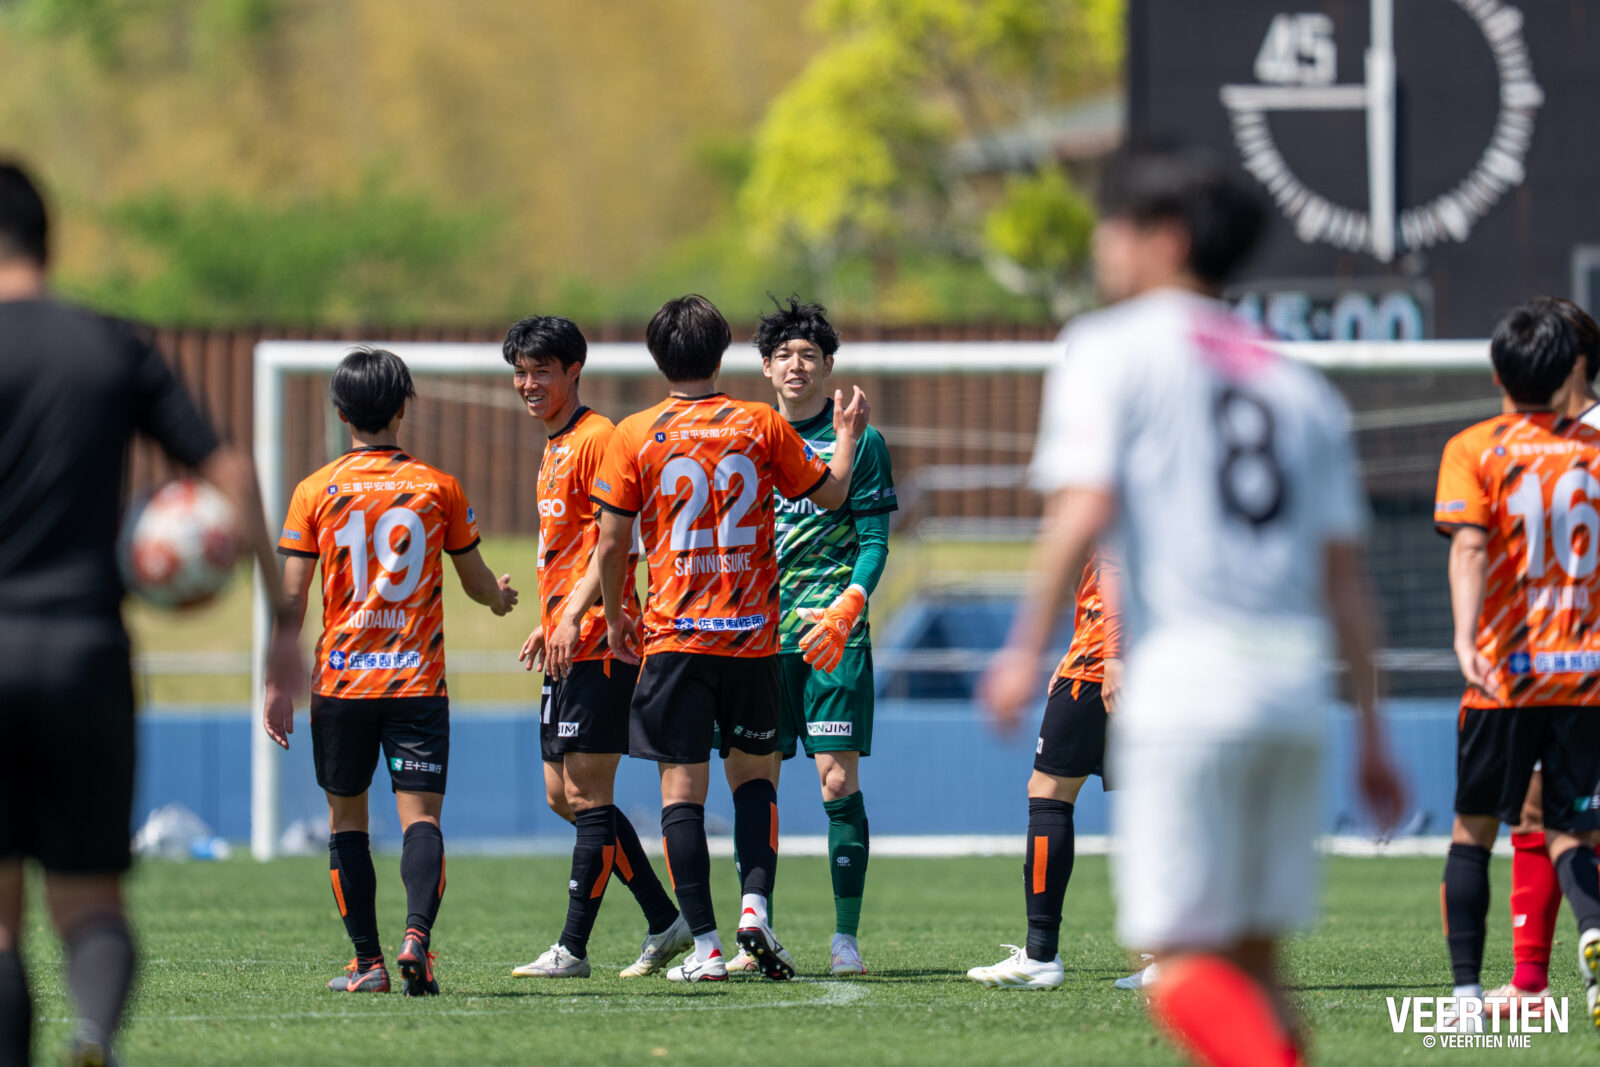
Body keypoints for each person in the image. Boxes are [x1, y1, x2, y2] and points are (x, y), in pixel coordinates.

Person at [978, 143, 1405, 1066]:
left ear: (1164, 239)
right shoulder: (1298, 385)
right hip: (1293, 699)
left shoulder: (1110, 348)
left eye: (1113, 225)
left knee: (1179, 971)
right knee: (1258, 967)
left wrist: (1021, 648)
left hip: (1188, 689)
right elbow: (1346, 578)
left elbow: (1085, 510)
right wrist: (1373, 734)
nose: (1101, 244)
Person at [0, 160, 302, 1067]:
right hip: (87, 650)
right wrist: (282, 624)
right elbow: (233, 471)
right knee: (91, 901)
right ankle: (93, 1036)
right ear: (47, 238)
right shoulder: (109, 346)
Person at [589, 294, 868, 982]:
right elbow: (832, 495)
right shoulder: (759, 423)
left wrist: (615, 615)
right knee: (755, 780)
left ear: (657, 357)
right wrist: (848, 436)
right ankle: (754, 908)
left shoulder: (634, 433)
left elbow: (613, 543)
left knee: (681, 794)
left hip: (676, 640)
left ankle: (707, 948)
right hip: (752, 640)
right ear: (722, 354)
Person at [263, 347, 517, 997]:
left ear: (340, 413)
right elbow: (475, 581)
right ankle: (416, 937)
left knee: (347, 822)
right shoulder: (438, 486)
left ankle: (368, 963)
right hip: (416, 682)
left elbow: (291, 597)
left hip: (342, 683)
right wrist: (499, 598)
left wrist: (276, 682)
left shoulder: (314, 490)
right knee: (420, 819)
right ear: (404, 407)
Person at [501, 315, 691, 978]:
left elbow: (615, 544)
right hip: (567, 640)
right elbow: (573, 547)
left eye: (541, 371)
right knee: (565, 796)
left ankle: (572, 948)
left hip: (602, 642)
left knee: (586, 796)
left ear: (573, 370)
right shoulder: (554, 444)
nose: (529, 384)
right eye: (521, 372)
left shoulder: (598, 438)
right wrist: (551, 617)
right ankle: (664, 919)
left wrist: (580, 614)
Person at [1434, 301, 1600, 1031]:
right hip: (1585, 673)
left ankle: (1468, 997)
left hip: (1506, 673)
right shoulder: (1593, 449)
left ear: (1498, 373)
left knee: (1474, 830)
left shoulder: (1476, 447)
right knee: (1569, 828)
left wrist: (1464, 636)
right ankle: (1582, 937)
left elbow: (1470, 546)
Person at [720, 297, 896, 979]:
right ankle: (754, 926)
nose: (796, 365)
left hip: (831, 637)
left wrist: (850, 604)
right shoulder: (746, 438)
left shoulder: (861, 442)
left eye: (809, 355)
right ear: (766, 368)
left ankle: (845, 937)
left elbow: (874, 539)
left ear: (827, 366)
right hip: (758, 639)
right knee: (753, 783)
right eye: (784, 355)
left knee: (836, 780)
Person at [1484, 296, 1600, 1015]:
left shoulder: (1555, 445)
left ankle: (1534, 978)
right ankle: (1534, 977)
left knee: (1547, 814)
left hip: (1563, 658)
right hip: (1551, 654)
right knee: (1547, 812)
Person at [967, 551, 1123, 990]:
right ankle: (1172, 955)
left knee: (1049, 792)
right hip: (1136, 659)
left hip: (1098, 666)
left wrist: (1112, 655)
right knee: (1155, 804)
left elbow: (1114, 568)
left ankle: (1040, 954)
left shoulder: (1109, 506)